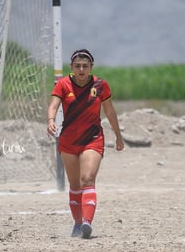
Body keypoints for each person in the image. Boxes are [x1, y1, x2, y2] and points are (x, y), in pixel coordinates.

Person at [47, 49, 124, 239]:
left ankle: (87, 223)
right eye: (77, 66)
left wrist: (118, 136)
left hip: (93, 138)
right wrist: (50, 119)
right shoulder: (63, 84)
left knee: (87, 180)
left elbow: (110, 112)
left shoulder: (100, 85)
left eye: (85, 66)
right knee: (74, 185)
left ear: (91, 67)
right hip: (69, 140)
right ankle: (77, 223)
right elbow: (54, 105)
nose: (81, 70)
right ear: (71, 67)